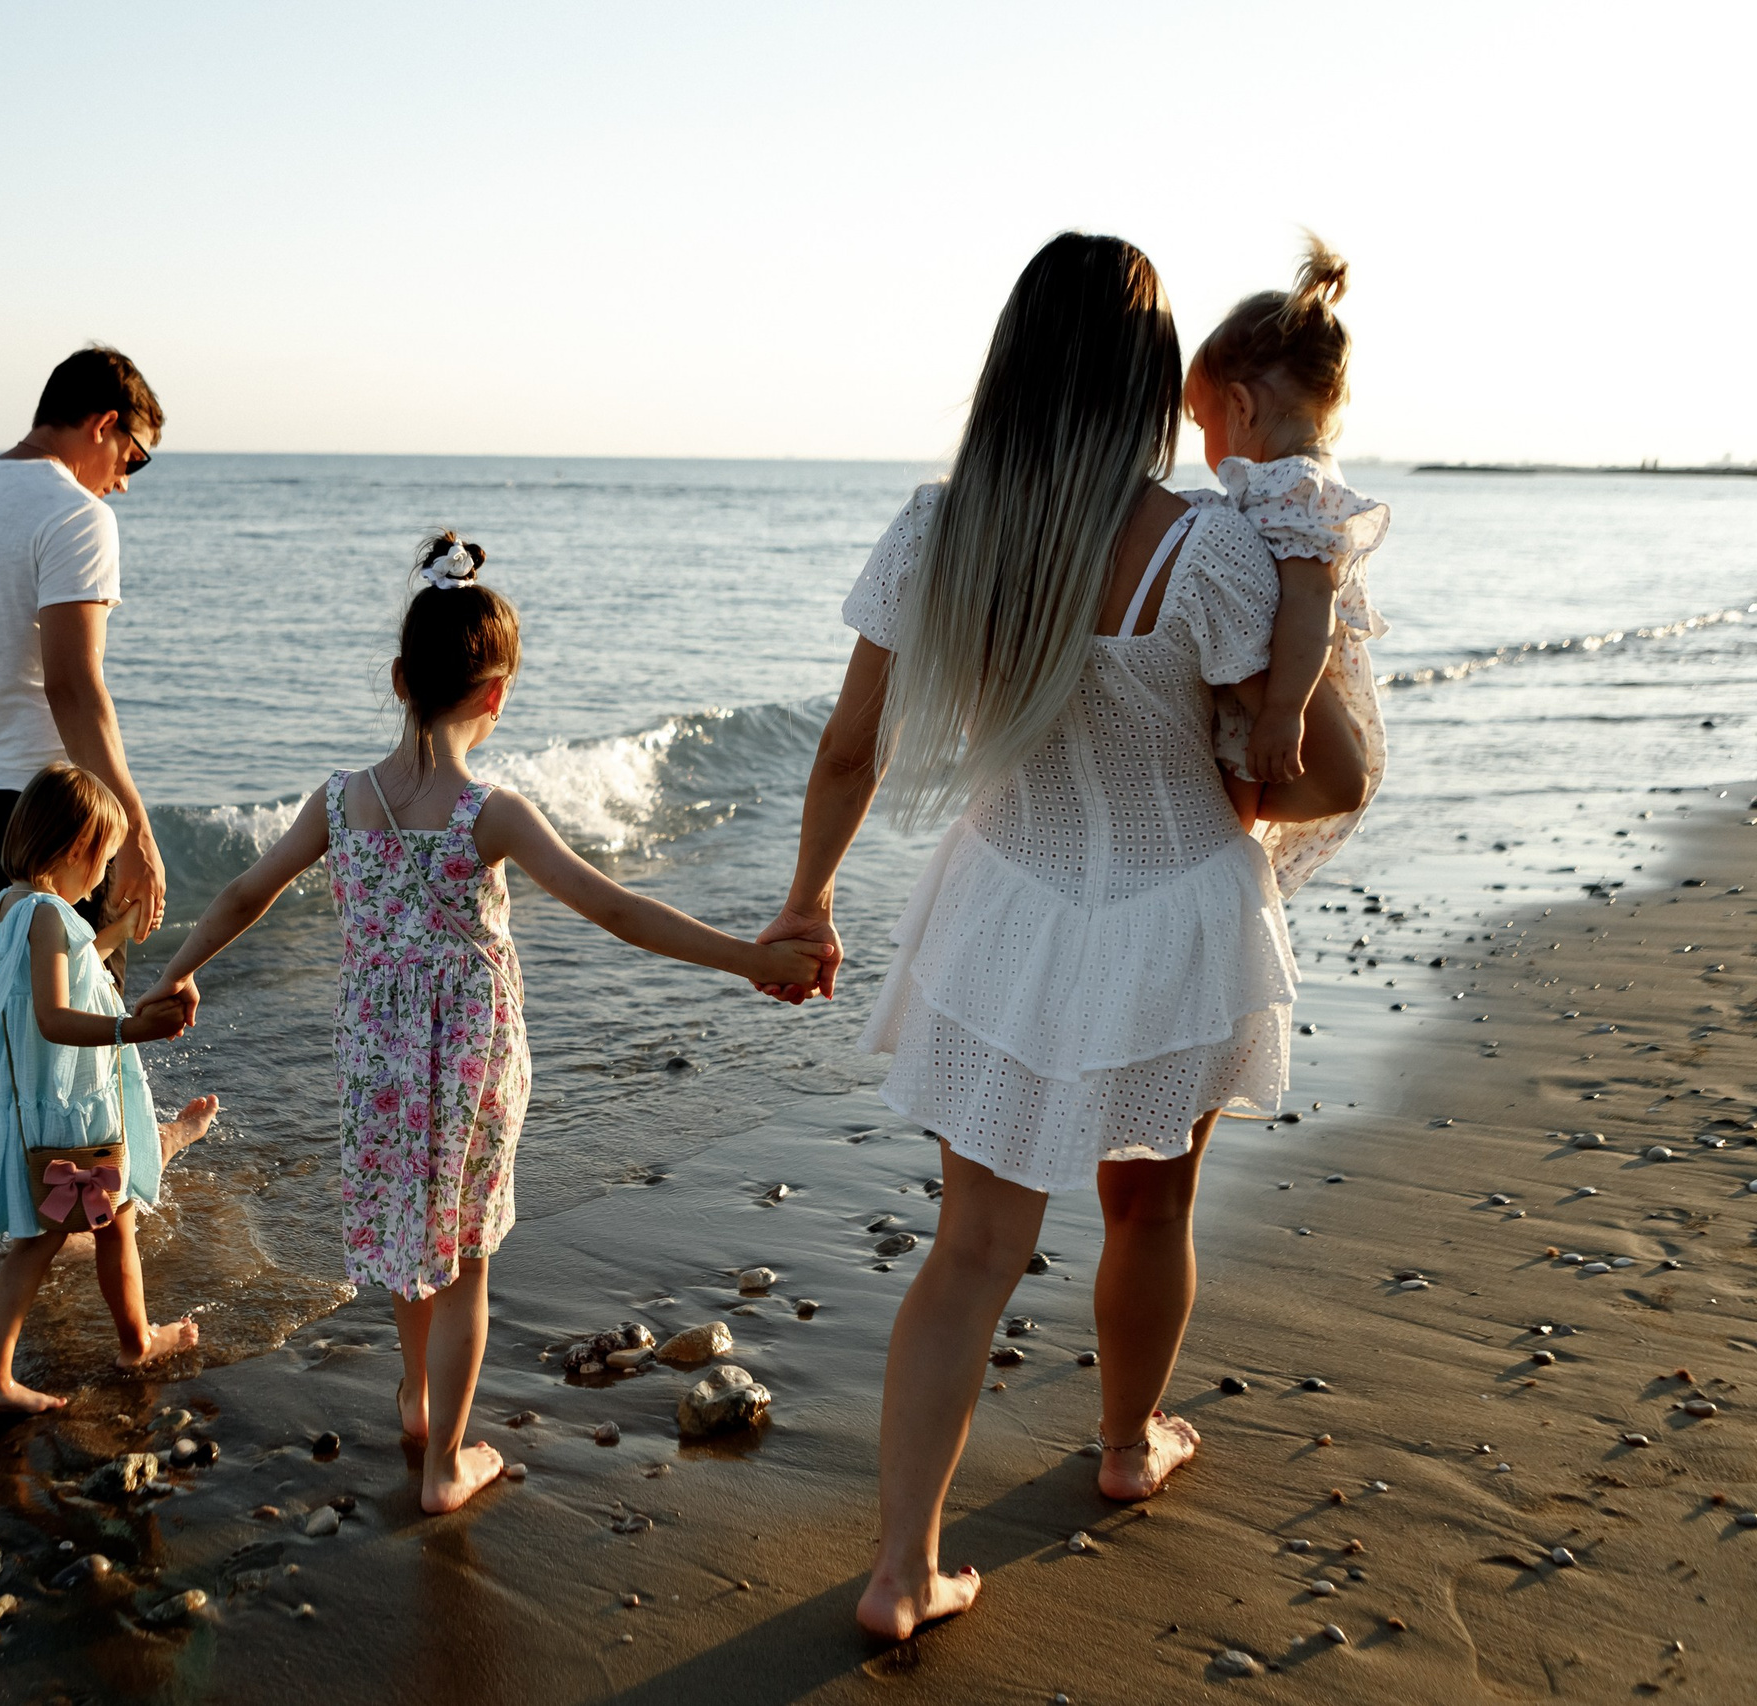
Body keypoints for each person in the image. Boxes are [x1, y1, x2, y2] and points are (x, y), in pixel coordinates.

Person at [750, 234, 1366, 1642]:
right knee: (1152, 1201)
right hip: (1174, 914)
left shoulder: (935, 529)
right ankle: (1129, 1439)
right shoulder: (1211, 550)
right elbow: (1329, 773)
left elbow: (848, 751)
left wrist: (808, 898)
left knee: (970, 1247)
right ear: (1154, 382)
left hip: (1008, 910)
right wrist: (1229, 768)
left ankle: (902, 1569)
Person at [143, 536, 832, 1512]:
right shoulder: (489, 811)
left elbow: (246, 890)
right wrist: (752, 957)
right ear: (497, 696)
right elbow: (616, 909)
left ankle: (417, 1399)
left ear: (396, 680)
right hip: (471, 1057)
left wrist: (178, 971)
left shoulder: (339, 802)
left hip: (375, 1058)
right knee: (464, 1260)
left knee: (401, 1234)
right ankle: (442, 1466)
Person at [0, 764, 219, 1414]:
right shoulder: (47, 914)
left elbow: (62, 974)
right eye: (104, 859)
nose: (102, 877)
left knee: (51, 1239)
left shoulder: (9, 906)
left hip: (44, 1111)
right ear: (78, 850)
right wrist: (135, 1028)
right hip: (75, 1113)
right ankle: (134, 1344)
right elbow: (54, 1017)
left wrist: (115, 936)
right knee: (113, 1224)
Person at [0, 345, 169, 954]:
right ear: (104, 424)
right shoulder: (77, 515)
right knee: (86, 1013)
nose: (124, 482)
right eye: (134, 457)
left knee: (25, 995)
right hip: (51, 812)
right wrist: (134, 834)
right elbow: (73, 685)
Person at [1186, 234, 1393, 894]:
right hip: (1281, 673)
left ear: (1241, 407)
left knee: (1227, 812)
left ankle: (1216, 886)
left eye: (1201, 421)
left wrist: (1283, 711)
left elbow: (1310, 605)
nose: (1206, 443)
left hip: (1287, 681)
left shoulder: (1287, 488)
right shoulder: (1301, 483)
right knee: (1227, 809)